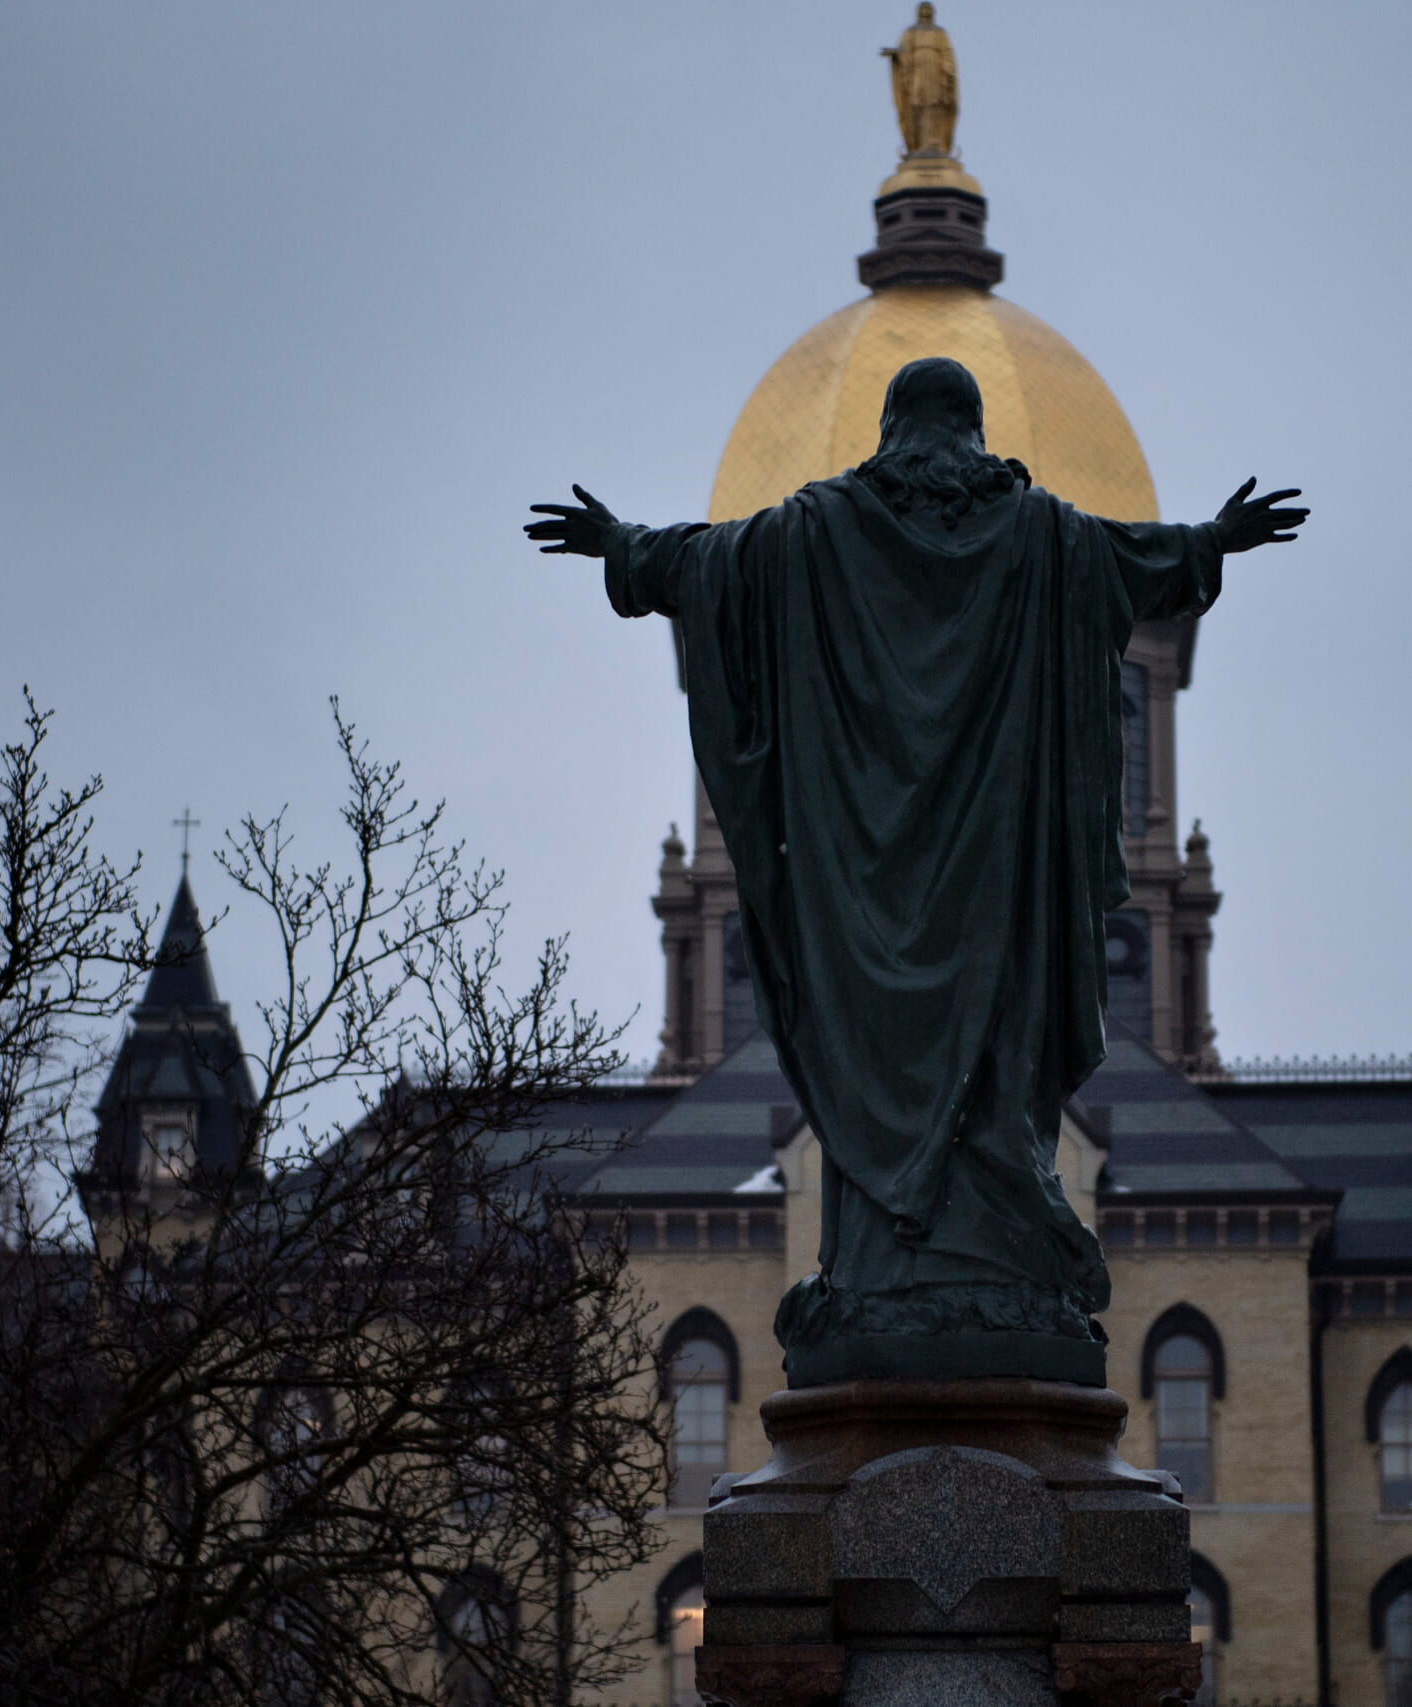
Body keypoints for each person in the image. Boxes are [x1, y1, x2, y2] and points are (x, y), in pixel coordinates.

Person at [529, 356, 1304, 1384]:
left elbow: (714, 562)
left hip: (860, 882)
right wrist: (1213, 539)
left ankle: (881, 1263)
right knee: (1004, 1058)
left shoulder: (818, 534)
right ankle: (986, 1262)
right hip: (1002, 874)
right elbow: (1132, 559)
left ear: (891, 432)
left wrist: (622, 545)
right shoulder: (1040, 536)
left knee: (870, 1054)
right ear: (971, 434)